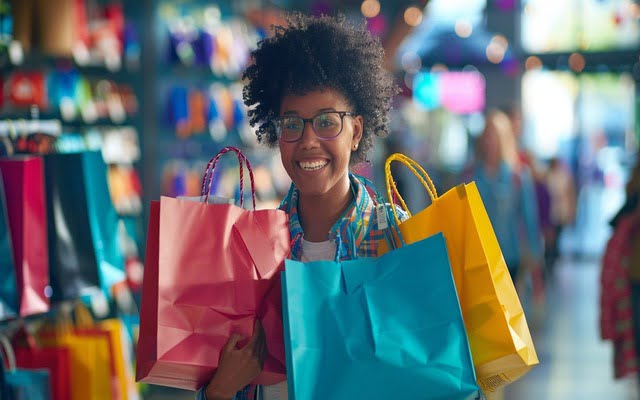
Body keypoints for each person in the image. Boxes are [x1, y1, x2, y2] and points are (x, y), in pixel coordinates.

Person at [196, 13, 401, 400]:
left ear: (356, 130)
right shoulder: (251, 250)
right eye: (292, 123)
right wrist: (221, 387)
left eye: (327, 122)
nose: (308, 141)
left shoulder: (395, 237)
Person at [466, 109, 543, 285]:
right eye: (487, 135)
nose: (490, 141)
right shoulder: (471, 175)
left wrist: (534, 254)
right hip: (478, 256)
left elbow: (529, 216)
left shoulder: (517, 175)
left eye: (495, 136)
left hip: (508, 255)